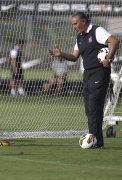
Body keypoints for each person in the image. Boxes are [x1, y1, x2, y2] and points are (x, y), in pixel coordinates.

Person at [49, 12, 120, 148]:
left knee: (94, 108)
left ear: (83, 22)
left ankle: (94, 141)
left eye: (75, 24)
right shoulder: (80, 37)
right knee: (89, 110)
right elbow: (74, 56)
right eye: (72, 24)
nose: (73, 27)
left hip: (100, 73)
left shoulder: (97, 31)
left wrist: (109, 58)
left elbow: (114, 41)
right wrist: (61, 54)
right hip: (87, 75)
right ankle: (96, 141)